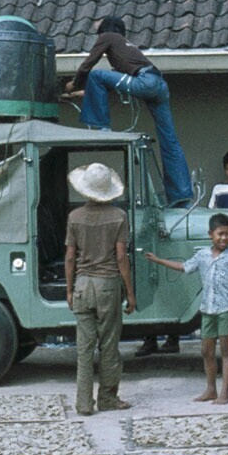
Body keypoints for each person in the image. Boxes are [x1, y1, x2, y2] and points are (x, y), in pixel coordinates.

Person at [62, 16, 192, 207]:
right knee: (170, 141)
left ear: (104, 31)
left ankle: (101, 127)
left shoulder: (108, 36)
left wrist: (74, 84)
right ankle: (181, 196)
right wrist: (76, 96)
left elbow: (88, 65)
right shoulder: (127, 51)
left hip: (144, 81)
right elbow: (106, 87)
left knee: (95, 74)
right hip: (159, 85)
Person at [145, 213, 228, 404]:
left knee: (226, 351)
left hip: (226, 309)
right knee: (206, 351)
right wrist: (158, 260)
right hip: (207, 310)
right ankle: (211, 389)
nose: (224, 238)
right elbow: (184, 267)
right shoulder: (202, 255)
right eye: (220, 234)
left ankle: (225, 393)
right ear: (211, 234)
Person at [64, 162, 137, 415]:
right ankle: (107, 398)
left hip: (82, 285)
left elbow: (70, 257)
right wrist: (130, 293)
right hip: (108, 286)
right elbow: (121, 258)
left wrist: (69, 290)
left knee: (84, 350)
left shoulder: (74, 217)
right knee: (109, 346)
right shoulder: (119, 216)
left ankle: (84, 403)